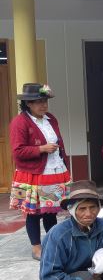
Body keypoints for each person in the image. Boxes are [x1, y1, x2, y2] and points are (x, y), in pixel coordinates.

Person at [9, 83, 71, 261]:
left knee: (50, 211)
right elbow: (18, 151)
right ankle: (36, 247)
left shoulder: (50, 118)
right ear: (28, 103)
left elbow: (60, 143)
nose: (43, 105)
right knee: (34, 212)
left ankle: (52, 243)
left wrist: (65, 165)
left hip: (54, 170)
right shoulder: (20, 122)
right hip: (34, 174)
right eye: (38, 101)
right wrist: (41, 149)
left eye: (44, 101)